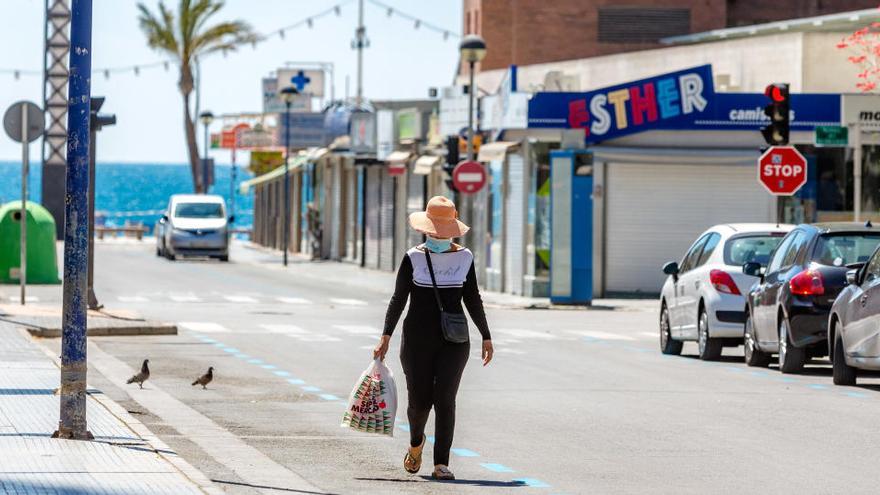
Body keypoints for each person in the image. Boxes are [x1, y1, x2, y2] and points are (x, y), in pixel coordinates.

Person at [374, 195, 493, 481]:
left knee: (445, 399)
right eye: (434, 229)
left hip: (454, 341)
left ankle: (441, 463)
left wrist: (486, 336)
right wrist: (386, 335)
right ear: (425, 229)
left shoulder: (465, 258)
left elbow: (472, 298)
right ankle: (416, 442)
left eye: (442, 230)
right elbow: (398, 298)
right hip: (416, 340)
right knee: (419, 402)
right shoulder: (413, 257)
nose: (437, 235)